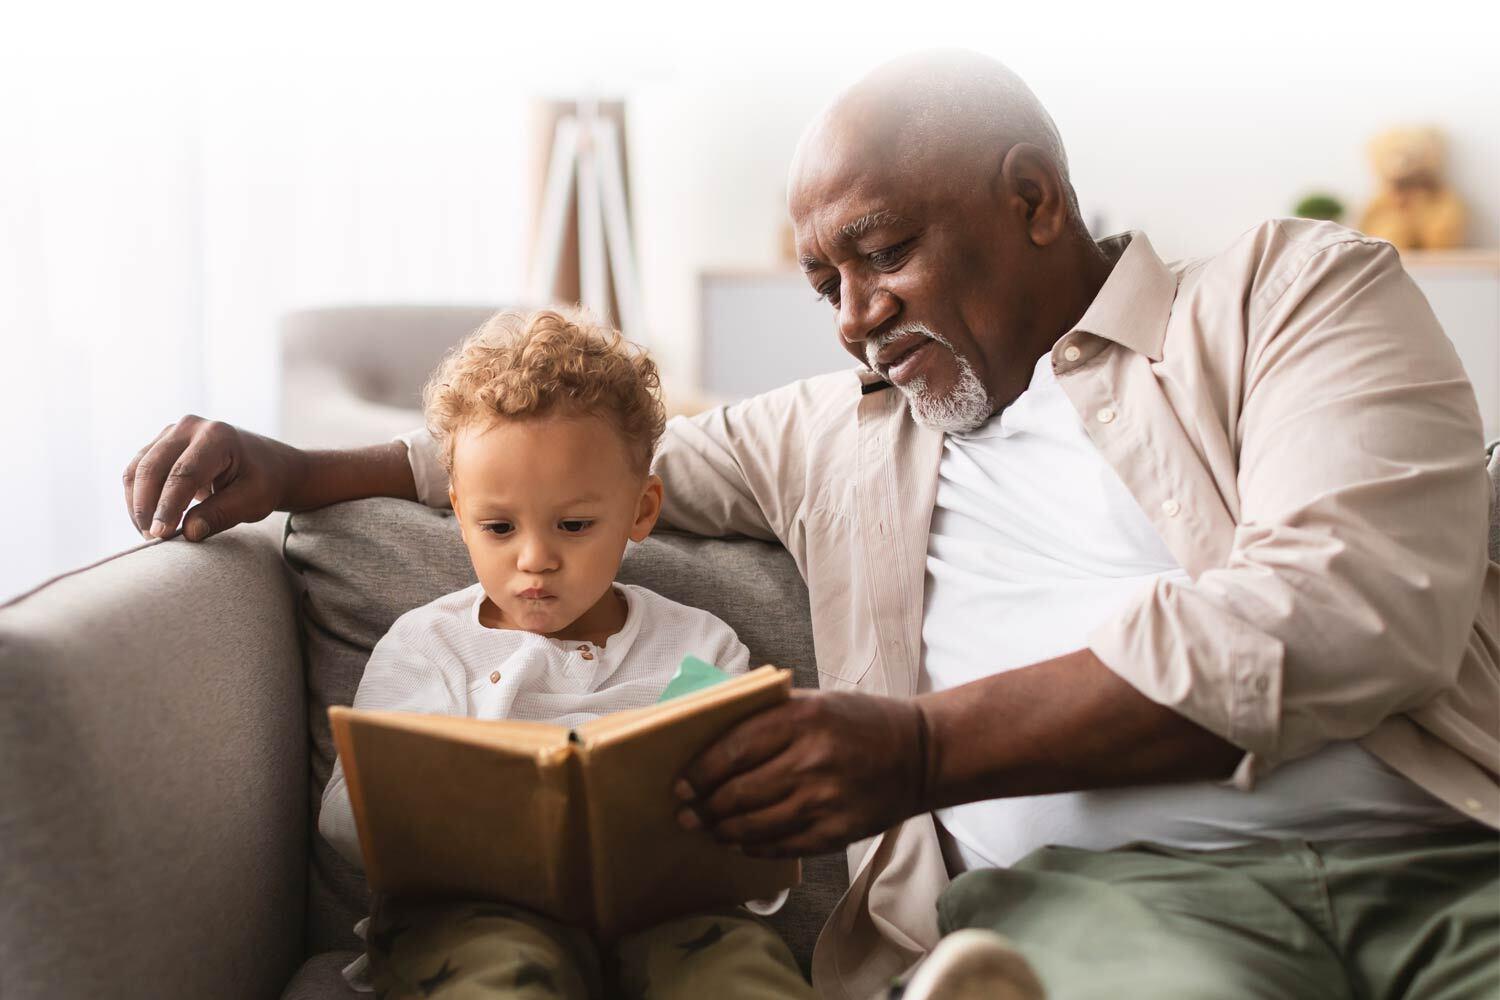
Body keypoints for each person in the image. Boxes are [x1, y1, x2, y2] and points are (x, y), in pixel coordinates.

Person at [123, 51, 1498, 1000]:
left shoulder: (1285, 295)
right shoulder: (834, 432)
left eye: (882, 253)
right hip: (1114, 904)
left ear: (1033, 201)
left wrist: (919, 746)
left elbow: (1349, 604)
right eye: (823, 279)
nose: (851, 316)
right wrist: (304, 470)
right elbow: (570, 453)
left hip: (1445, 856)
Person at [316, 307, 814, 1000]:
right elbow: (345, 817)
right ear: (459, 516)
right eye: (497, 527)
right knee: (494, 978)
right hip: (474, 913)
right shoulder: (429, 645)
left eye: (575, 525)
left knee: (736, 972)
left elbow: (752, 823)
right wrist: (438, 799)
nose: (536, 559)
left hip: (667, 914)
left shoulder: (701, 646)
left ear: (641, 511)